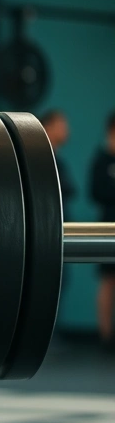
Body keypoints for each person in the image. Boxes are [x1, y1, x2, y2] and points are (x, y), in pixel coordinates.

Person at [89, 110, 115, 350]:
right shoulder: (101, 160)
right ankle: (105, 336)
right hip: (108, 227)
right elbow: (96, 192)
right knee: (107, 282)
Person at [40, 109, 75, 218]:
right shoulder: (39, 162)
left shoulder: (59, 163)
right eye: (61, 126)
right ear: (47, 127)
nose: (66, 130)